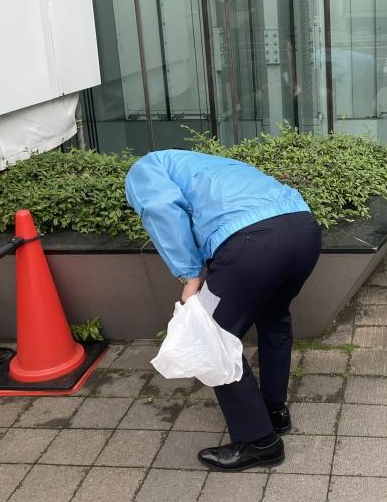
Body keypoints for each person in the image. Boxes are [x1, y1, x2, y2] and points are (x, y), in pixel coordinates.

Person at [125, 150, 320, 472]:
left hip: (253, 243)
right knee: (274, 318)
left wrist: (190, 275)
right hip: (304, 229)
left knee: (211, 337)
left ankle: (260, 442)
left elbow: (161, 209)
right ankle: (274, 411)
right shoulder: (208, 164)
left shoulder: (144, 168)